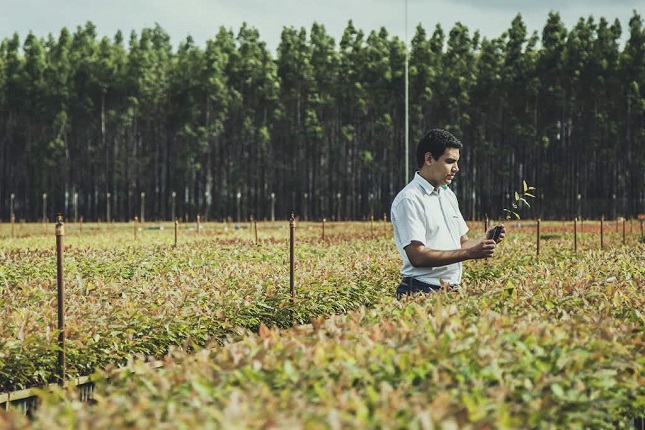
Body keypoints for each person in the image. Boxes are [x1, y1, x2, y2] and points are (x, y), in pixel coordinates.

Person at [390, 128, 505, 297]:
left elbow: (462, 243)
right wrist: (470, 254)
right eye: (450, 161)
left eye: (457, 162)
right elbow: (417, 256)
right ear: (429, 159)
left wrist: (485, 239)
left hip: (450, 291)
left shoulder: (447, 195)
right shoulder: (410, 199)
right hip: (419, 292)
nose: (456, 168)